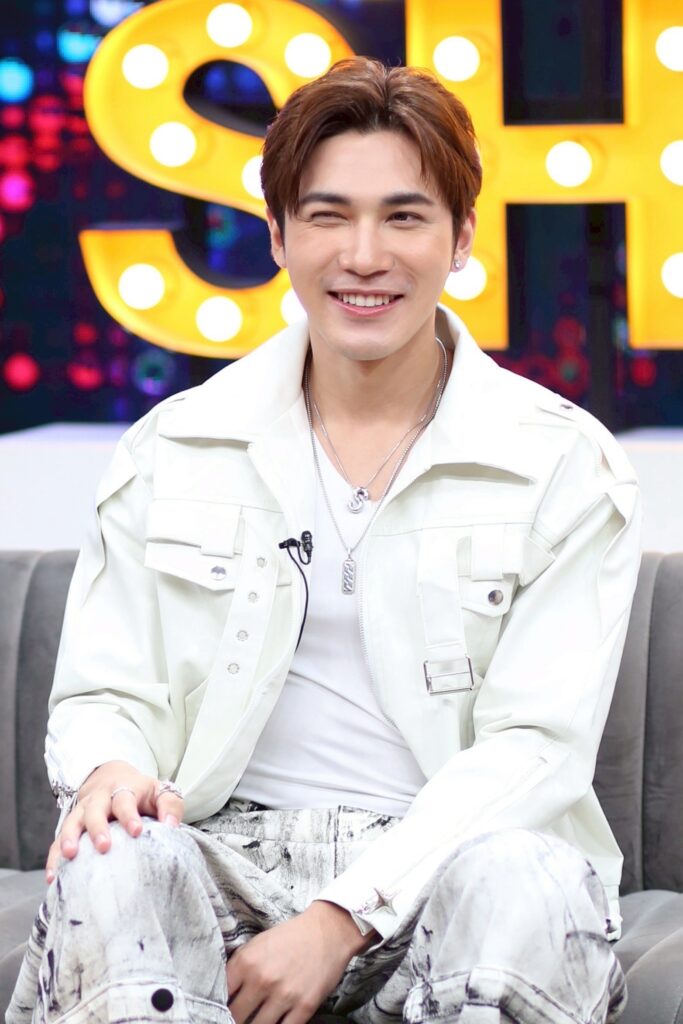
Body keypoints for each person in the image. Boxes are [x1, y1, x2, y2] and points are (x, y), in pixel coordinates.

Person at [8, 57, 640, 1024]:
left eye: (403, 216)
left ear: (462, 237)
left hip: (451, 864)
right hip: (219, 855)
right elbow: (106, 691)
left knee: (525, 878)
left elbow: (534, 751)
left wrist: (343, 914)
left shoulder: (561, 462)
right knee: (113, 860)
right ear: (277, 235)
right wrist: (111, 768)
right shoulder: (175, 445)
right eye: (327, 216)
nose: (363, 255)